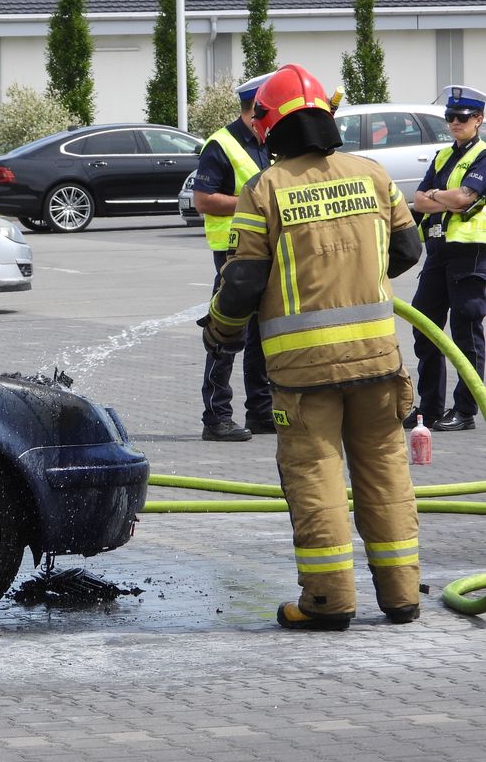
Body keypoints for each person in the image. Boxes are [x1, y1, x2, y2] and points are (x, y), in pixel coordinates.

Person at [201, 64, 424, 630]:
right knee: (386, 476)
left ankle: (328, 602)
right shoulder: (372, 174)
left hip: (304, 375)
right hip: (379, 360)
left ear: (273, 128)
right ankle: (401, 597)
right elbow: (407, 251)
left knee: (317, 479)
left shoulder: (265, 189)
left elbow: (244, 281)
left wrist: (221, 332)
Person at [194, 73, 274, 441]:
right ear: (255, 110)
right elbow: (204, 200)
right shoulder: (221, 144)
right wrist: (251, 204)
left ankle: (260, 411)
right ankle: (217, 417)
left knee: (262, 334)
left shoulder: (265, 141)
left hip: (264, 250)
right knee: (226, 333)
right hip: (232, 255)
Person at [402, 85, 486, 432]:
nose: (454, 122)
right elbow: (419, 200)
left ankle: (465, 410)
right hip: (438, 252)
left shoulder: (483, 156)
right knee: (425, 329)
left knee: (465, 333)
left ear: (479, 119)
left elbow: (466, 198)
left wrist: (444, 196)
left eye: (462, 117)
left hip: (471, 254)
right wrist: (443, 197)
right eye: (450, 117)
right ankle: (431, 407)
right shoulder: (441, 157)